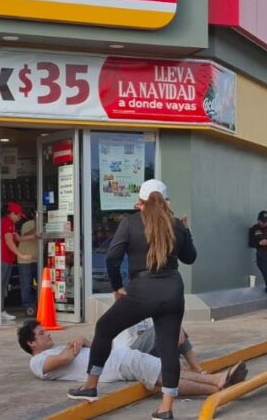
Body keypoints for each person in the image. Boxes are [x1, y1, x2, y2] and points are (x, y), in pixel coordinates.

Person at [68, 179, 196, 420]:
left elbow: (112, 258)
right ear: (166, 201)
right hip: (172, 291)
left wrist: (117, 287)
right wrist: (186, 229)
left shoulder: (129, 223)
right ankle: (166, 408)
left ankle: (90, 385)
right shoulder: (177, 225)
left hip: (141, 291)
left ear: (141, 202)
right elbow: (190, 258)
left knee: (104, 328)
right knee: (169, 346)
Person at [18, 321, 245, 397]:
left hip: (120, 357)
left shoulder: (56, 347)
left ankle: (217, 381)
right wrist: (72, 347)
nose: (47, 333)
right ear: (31, 343)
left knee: (168, 372)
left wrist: (81, 339)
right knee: (165, 376)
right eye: (41, 333)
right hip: (119, 364)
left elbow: (95, 346)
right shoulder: (37, 362)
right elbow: (65, 359)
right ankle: (215, 384)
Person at [0, 201, 33, 326]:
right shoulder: (6, 222)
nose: (20, 218)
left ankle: (0, 310)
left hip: (7, 259)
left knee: (2, 286)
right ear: (12, 214)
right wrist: (22, 255)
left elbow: (18, 239)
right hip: (1, 258)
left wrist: (35, 235)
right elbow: (9, 242)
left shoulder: (11, 224)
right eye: (19, 215)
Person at [16, 213, 38, 312]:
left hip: (38, 259)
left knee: (40, 284)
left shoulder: (46, 226)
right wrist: (37, 228)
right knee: (26, 285)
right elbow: (24, 236)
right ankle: (28, 307)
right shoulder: (28, 224)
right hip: (25, 259)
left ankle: (39, 304)